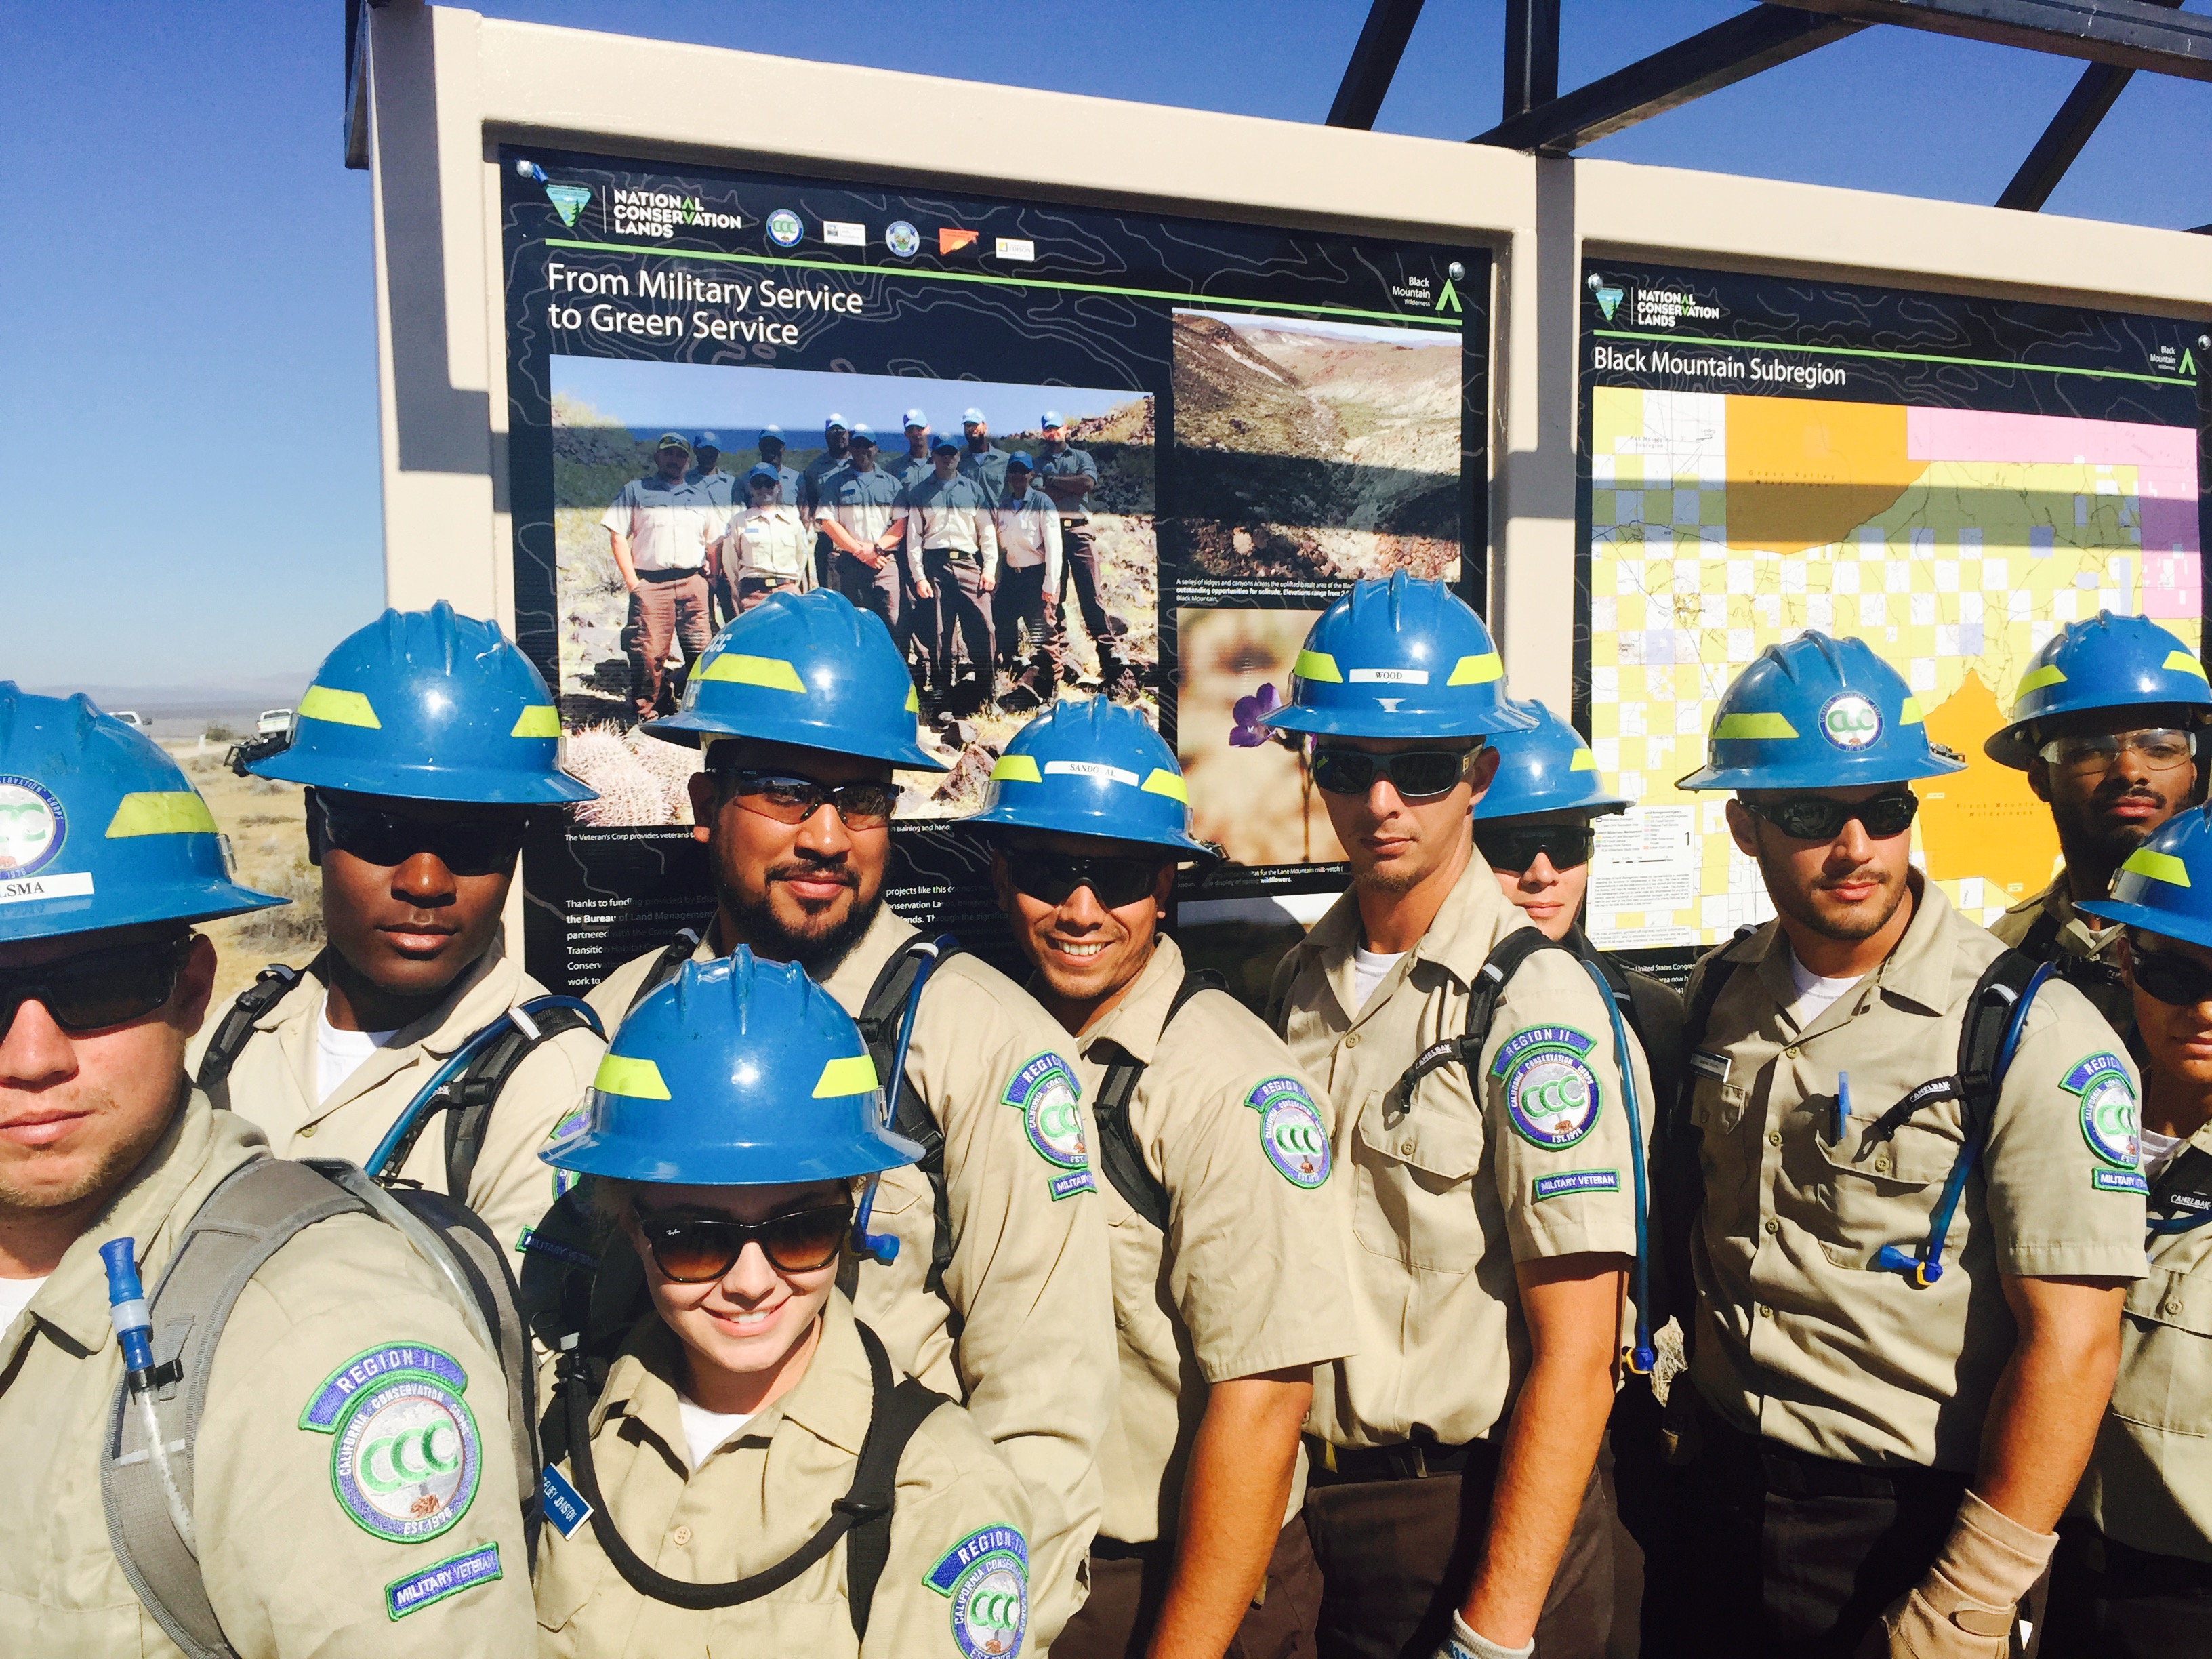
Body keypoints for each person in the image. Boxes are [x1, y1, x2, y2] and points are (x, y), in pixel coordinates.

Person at [582, 590, 1115, 1653]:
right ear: (704, 801)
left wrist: (996, 1627)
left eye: (861, 798)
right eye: (783, 790)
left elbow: (1044, 1405)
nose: (826, 836)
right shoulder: (620, 1023)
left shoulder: (979, 1043)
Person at [0, 684, 535, 1650]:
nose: (33, 1057)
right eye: (374, 829)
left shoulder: (313, 1333)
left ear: (192, 986)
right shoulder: (264, 1025)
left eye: (99, 981)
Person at [1663, 630, 2147, 1658]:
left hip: (1907, 1531)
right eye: (1810, 814)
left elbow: (2074, 1343)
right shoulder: (1719, 997)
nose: (1857, 849)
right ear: (1743, 825)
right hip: (1717, 1501)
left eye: (1886, 811)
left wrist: (1974, 1595)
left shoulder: (2027, 1027)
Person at [1260, 573, 1647, 1659]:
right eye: (1348, 765)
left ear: (1477, 774)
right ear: (1313, 769)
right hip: (1311, 1515)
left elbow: (1581, 1351)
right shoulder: (1299, 985)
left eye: (1421, 769)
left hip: (1473, 1515)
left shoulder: (1531, 999)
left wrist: (1497, 1628)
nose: (1382, 803)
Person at [967, 701, 1355, 1659]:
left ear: (1167, 884)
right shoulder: (986, 1045)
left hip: (1176, 1587)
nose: (1083, 909)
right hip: (1020, 1568)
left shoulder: (1225, 1084)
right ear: (1005, 871)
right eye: (1054, 871)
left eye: (1120, 876)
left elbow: (1265, 1401)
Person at [533, 949, 1036, 1657]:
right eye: (693, 1238)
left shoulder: (937, 1492)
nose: (749, 1281)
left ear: (852, 1215)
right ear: (629, 1224)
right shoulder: (565, 1422)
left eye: (800, 1231)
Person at [189, 603, 607, 1268]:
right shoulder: (229, 1041)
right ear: (313, 827)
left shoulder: (548, 1082)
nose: (425, 880)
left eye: (473, 840)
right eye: (381, 829)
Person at [1469, 697, 1687, 1654]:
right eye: (1511, 845)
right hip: (1470, 1428)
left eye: (1565, 839)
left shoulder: (1658, 1015)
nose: (1545, 872)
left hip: (1622, 1424)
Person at [2043, 804, 2212, 1657]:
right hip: (2052, 1566)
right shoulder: (2054, 1115)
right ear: (2123, 960)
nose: (2206, 1008)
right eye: (2178, 974)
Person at [1986, 612, 2212, 1052]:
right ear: (2038, 778)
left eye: (2162, 747)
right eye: (2090, 750)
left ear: (2192, 770)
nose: (2130, 771)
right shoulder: (1999, 956)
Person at [602, 432, 719, 720]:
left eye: (680, 455)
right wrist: (634, 585)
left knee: (700, 650)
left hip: (693, 584)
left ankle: (697, 712)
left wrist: (712, 577)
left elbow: (714, 542)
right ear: (658, 457)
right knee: (649, 653)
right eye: (668, 453)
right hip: (652, 585)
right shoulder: (637, 490)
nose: (674, 460)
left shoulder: (701, 497)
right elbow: (617, 536)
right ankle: (648, 714)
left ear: (687, 460)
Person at [1035, 412, 1133, 699]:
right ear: (1044, 433)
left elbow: (1087, 484)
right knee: (1054, 596)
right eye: (1048, 430)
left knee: (1091, 595)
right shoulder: (1038, 462)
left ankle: (1111, 658)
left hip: (1079, 531)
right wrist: (1067, 484)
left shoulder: (1081, 456)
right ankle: (1056, 666)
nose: (1052, 433)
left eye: (1056, 428)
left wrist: (1054, 481)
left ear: (1065, 429)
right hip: (1050, 533)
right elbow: (1041, 494)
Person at [903, 433, 1000, 715]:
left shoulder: (973, 490)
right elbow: (913, 539)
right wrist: (919, 576)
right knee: (940, 633)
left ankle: (987, 694)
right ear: (933, 455)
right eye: (942, 452)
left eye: (952, 453)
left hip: (970, 565)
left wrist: (990, 569)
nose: (948, 457)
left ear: (958, 456)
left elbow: (987, 533)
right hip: (936, 567)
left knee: (985, 628)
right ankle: (943, 698)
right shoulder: (920, 493)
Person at [815, 424, 911, 643]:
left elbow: (901, 524)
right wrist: (859, 551)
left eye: (867, 446)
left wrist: (876, 549)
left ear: (875, 448)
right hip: (851, 564)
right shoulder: (836, 483)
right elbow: (827, 522)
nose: (862, 451)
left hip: (885, 564)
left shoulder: (892, 484)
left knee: (894, 624)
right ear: (851, 448)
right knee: (853, 625)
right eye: (857, 446)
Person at [993, 451, 1063, 713]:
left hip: (1036, 577)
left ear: (1031, 474)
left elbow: (1055, 546)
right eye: (1014, 471)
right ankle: (1012, 682)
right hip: (1011, 577)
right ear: (1008, 475)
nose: (1018, 476)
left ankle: (1050, 691)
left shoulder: (1043, 502)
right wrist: (998, 578)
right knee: (1003, 629)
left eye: (1023, 471)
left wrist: (1050, 584)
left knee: (1044, 635)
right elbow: (1001, 548)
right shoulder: (1003, 504)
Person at [720, 462, 814, 613]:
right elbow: (730, 563)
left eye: (769, 484)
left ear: (778, 487)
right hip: (754, 594)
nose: (764, 489)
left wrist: (791, 585)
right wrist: (740, 589)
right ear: (751, 488)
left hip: (788, 591)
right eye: (758, 484)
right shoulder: (738, 521)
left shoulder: (793, 523)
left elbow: (801, 559)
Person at [690, 432, 740, 626]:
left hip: (726, 555)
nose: (709, 456)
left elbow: (738, 519)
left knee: (733, 611)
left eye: (713, 452)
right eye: (704, 451)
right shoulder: (685, 482)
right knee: (702, 616)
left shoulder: (732, 484)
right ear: (696, 452)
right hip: (697, 558)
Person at [800, 413, 855, 590]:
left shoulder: (861, 462)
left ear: (848, 433)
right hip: (827, 540)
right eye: (833, 431)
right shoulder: (814, 469)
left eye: (841, 430)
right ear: (826, 436)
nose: (838, 435)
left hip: (858, 538)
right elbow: (809, 506)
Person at [958, 405, 1012, 508]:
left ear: (985, 427)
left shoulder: (1005, 460)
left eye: (975, 425)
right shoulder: (958, 462)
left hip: (998, 520)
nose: (972, 429)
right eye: (968, 425)